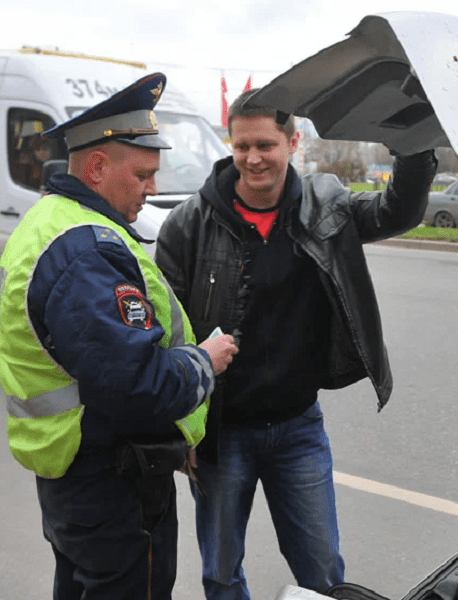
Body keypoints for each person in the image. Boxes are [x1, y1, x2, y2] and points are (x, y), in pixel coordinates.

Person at [155, 89, 438, 599]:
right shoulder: (189, 224)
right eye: (242, 146)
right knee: (220, 572)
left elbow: (398, 212)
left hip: (297, 429)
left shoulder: (326, 208)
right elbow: (164, 335)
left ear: (292, 141)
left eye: (265, 144)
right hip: (221, 433)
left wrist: (414, 148)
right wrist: (180, 430)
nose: (253, 158)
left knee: (324, 571)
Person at [0, 72, 238, 600]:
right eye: (144, 174)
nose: (152, 190)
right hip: (111, 483)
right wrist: (204, 362)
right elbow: (138, 384)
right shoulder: (83, 250)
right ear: (98, 168)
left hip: (77, 478)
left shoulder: (53, 222)